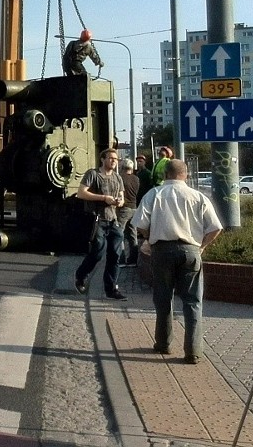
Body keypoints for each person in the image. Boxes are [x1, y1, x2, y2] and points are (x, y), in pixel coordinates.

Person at [132, 159, 223, 364]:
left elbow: (139, 223)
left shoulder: (154, 194)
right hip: (191, 250)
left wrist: (149, 238)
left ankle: (163, 343)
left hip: (162, 251)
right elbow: (215, 227)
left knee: (163, 298)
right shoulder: (198, 196)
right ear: (186, 175)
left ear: (165, 175)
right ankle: (193, 351)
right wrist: (201, 246)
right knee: (192, 301)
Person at [73, 148, 127, 300]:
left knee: (115, 255)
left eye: (116, 159)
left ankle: (111, 289)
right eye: (111, 158)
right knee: (97, 252)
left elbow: (122, 198)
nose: (114, 161)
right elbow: (81, 193)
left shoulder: (118, 178)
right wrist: (103, 198)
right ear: (102, 159)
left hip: (113, 220)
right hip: (97, 220)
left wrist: (119, 201)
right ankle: (81, 275)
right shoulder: (93, 174)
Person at [116, 159, 140, 267]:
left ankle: (121, 260)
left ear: (122, 167)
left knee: (119, 233)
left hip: (123, 209)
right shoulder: (136, 179)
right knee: (132, 234)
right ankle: (133, 260)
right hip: (134, 208)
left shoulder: (120, 178)